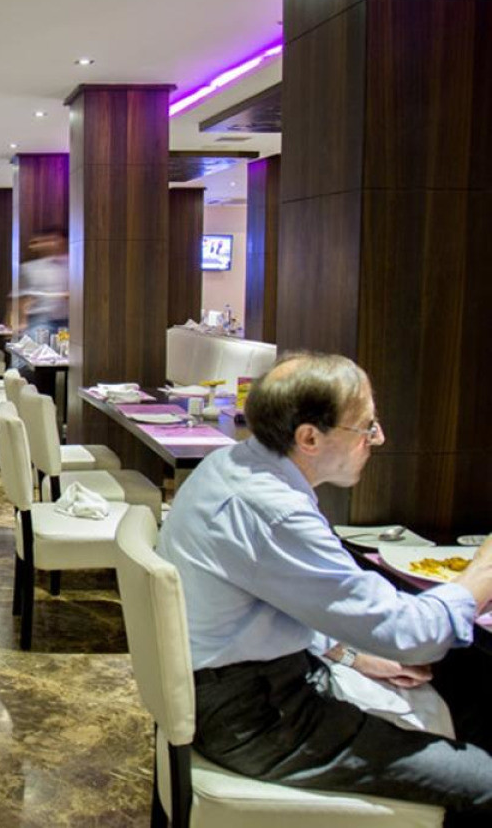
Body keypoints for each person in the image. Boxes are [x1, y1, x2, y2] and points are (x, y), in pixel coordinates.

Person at [157, 351, 492, 820]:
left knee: (468, 701)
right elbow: (413, 635)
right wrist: (483, 572)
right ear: (309, 437)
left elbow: (268, 603)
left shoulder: (226, 464)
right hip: (259, 719)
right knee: (484, 780)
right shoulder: (276, 512)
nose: (378, 438)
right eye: (366, 427)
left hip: (232, 689)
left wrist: (350, 653)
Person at [16, 229, 68, 338]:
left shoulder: (70, 264)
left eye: (54, 240)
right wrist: (20, 322)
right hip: (40, 318)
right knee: (35, 336)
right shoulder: (29, 268)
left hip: (66, 320)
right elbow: (20, 298)